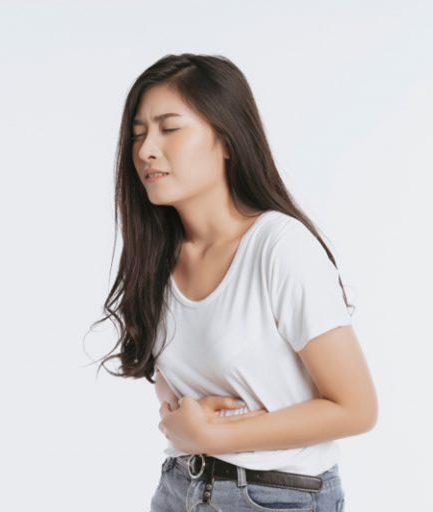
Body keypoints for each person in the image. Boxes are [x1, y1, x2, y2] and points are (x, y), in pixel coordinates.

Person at [89, 53, 377, 512]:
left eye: (169, 128)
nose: (145, 150)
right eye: (138, 133)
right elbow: (178, 383)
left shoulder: (279, 247)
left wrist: (213, 435)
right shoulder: (157, 257)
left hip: (275, 497)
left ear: (226, 140)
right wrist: (186, 419)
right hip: (179, 487)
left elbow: (356, 408)